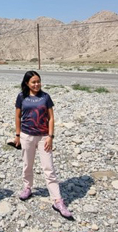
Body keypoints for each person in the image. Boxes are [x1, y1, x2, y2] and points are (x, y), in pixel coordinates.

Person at [13, 70, 73, 219]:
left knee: (49, 168)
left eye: (38, 81)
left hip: (43, 137)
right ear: (27, 83)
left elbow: (51, 118)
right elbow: (17, 116)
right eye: (33, 82)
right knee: (27, 164)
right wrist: (17, 135)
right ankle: (27, 187)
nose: (37, 84)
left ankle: (57, 200)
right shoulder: (21, 97)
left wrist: (50, 136)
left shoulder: (45, 97)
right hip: (27, 136)